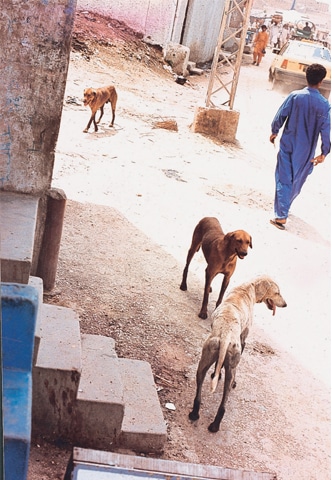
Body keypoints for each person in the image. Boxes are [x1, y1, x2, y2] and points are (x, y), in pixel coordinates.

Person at [269, 63, 331, 230]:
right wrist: (324, 152)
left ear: (306, 77)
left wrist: (274, 131)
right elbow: (326, 130)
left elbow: (280, 115)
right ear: (321, 81)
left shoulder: (295, 96)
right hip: (306, 151)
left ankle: (281, 214)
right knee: (297, 180)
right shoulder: (324, 105)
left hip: (288, 144)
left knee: (283, 178)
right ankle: (284, 208)